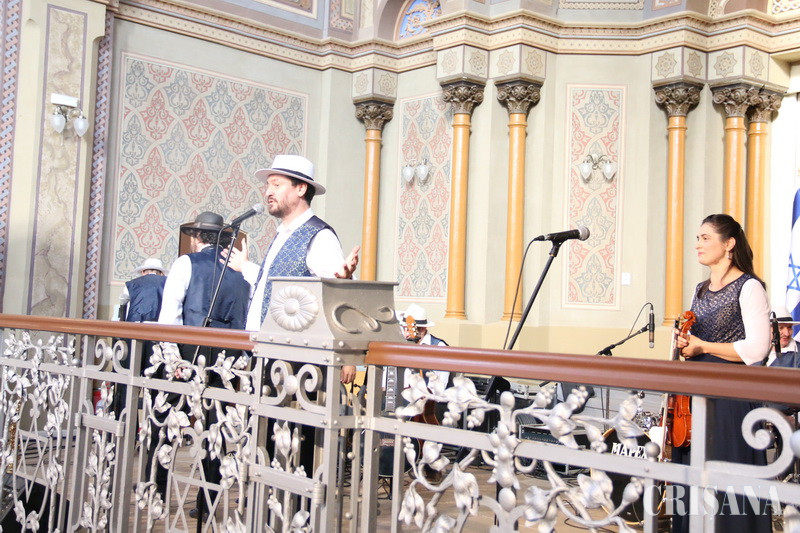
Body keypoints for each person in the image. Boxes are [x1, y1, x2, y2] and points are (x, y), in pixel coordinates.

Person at [673, 213, 772, 533]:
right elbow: (696, 341)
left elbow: (757, 348)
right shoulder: (700, 289)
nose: (697, 244)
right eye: (697, 238)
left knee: (727, 477)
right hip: (695, 394)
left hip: (730, 397)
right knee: (694, 474)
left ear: (728, 244)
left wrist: (703, 346)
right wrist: (686, 344)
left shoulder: (749, 287)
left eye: (705, 238)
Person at [225, 154, 358, 383]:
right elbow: (276, 286)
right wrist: (245, 267)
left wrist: (348, 355)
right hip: (265, 354)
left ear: (301, 189)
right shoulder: (282, 234)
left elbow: (343, 298)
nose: (268, 192)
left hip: (296, 363)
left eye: (276, 185)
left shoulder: (319, 236)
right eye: (268, 185)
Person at [153, 211, 251, 519]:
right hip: (226, 364)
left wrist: (172, 358)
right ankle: (207, 503)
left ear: (196, 238)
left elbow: (169, 316)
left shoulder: (186, 263)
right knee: (215, 431)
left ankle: (157, 494)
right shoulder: (240, 273)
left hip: (188, 359)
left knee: (164, 426)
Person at [112, 257, 168, 414]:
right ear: (161, 273)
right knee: (157, 382)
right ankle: (155, 421)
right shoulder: (168, 283)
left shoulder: (131, 284)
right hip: (159, 336)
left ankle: (125, 419)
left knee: (129, 380)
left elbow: (121, 309)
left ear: (143, 272)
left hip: (134, 334)